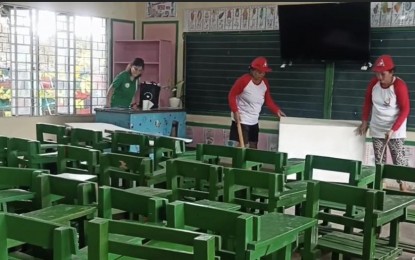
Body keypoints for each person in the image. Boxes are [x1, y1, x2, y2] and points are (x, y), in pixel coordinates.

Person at [357, 54, 410, 191]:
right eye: (377, 74)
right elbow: (368, 102)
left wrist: (393, 130)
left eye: (383, 74)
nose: (380, 78)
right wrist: (364, 122)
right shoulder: (373, 84)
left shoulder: (399, 85)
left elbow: (405, 110)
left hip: (395, 128)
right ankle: (380, 185)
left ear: (392, 72)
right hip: (377, 126)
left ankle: (403, 185)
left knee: (398, 157)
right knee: (379, 159)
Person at [228, 56, 286, 149]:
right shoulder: (244, 80)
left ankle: (252, 163)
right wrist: (235, 111)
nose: (261, 74)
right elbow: (232, 95)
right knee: (242, 147)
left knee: (253, 146)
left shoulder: (265, 83)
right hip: (242, 119)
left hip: (254, 120)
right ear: (252, 70)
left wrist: (276, 110)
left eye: (263, 72)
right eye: (259, 72)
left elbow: (268, 100)